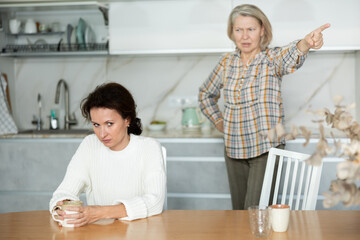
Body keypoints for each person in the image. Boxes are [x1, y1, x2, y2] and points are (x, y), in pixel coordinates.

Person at [198, 4, 330, 210]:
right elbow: (205, 94)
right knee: (239, 213)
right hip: (234, 148)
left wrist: (305, 43)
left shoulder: (271, 59)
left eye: (250, 29)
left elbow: (289, 57)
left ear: (262, 31)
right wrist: (218, 121)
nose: (244, 36)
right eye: (238, 29)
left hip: (266, 149)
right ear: (231, 32)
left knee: (256, 212)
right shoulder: (226, 62)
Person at [49, 82, 166, 226]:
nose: (102, 134)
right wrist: (63, 206)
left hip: (139, 233)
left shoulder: (149, 147)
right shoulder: (89, 145)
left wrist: (100, 212)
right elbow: (64, 191)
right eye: (96, 125)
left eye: (109, 124)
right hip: (99, 234)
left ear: (127, 119)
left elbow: (155, 201)